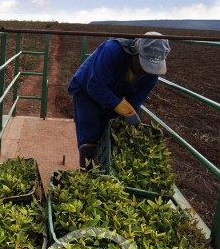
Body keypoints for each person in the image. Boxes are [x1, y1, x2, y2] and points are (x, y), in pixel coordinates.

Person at [68, 32, 171, 168]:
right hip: (87, 91)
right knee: (90, 136)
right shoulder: (113, 50)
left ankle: (105, 171)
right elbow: (95, 86)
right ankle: (88, 174)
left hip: (114, 95)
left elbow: (135, 100)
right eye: (144, 65)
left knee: (110, 134)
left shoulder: (151, 75)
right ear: (136, 52)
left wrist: (128, 117)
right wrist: (125, 110)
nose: (145, 71)